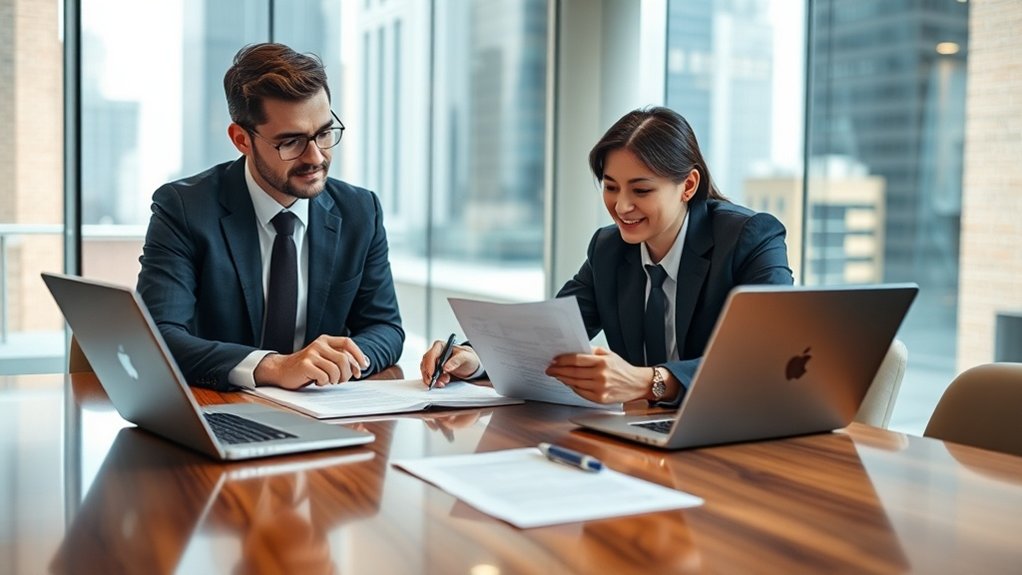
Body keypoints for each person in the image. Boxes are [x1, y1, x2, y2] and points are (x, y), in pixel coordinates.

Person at [420, 106, 792, 406]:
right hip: (644, 434)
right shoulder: (608, 249)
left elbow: (771, 356)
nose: (622, 206)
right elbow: (548, 333)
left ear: (688, 186)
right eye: (611, 187)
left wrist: (651, 382)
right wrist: (474, 358)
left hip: (738, 433)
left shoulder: (751, 237)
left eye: (641, 190)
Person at [137, 43, 404, 391]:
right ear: (242, 140)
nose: (316, 157)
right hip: (217, 408)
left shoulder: (360, 211)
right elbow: (160, 336)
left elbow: (385, 328)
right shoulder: (184, 209)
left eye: (324, 133)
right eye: (291, 142)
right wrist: (273, 367)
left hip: (323, 410)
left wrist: (338, 362)